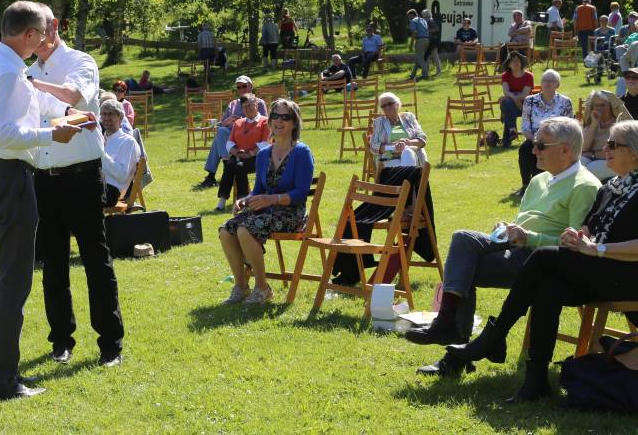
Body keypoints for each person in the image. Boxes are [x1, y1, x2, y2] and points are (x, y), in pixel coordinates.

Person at [441, 120, 638, 402]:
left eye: (612, 145)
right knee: (548, 287)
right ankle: (536, 381)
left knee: (544, 257)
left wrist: (598, 249)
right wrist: (578, 235)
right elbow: (590, 228)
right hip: (598, 269)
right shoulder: (612, 187)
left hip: (627, 277)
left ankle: (496, 335)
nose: (603, 149)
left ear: (633, 152)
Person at [408, 117, 601, 364]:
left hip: (540, 260)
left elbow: (574, 245)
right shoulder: (539, 179)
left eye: (541, 145)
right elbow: (526, 220)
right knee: (463, 239)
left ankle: (456, 349)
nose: (533, 150)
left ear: (565, 149)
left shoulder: (584, 186)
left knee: (464, 269)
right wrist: (508, 228)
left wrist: (528, 236)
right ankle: (452, 328)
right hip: (515, 246)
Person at [0, 0, 83, 401]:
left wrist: (67, 111)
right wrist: (54, 135)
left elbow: (32, 103)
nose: (50, 38)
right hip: (6, 175)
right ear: (29, 35)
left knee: (5, 279)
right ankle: (1, 380)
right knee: (13, 282)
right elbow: (4, 134)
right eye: (46, 31)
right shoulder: (8, 71)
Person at [27, 3, 123, 369]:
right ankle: (61, 340)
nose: (36, 36)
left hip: (82, 175)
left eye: (41, 27)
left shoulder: (81, 61)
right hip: (44, 178)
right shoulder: (26, 72)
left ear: (54, 27)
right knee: (53, 264)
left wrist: (32, 85)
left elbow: (71, 96)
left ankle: (110, 344)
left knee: (96, 259)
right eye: (31, 30)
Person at [331, 92, 434, 286]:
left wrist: (406, 144)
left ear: (398, 103)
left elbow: (422, 139)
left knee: (410, 154)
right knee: (407, 159)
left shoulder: (409, 117)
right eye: (384, 106)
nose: (387, 109)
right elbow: (374, 146)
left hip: (410, 162)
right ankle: (408, 208)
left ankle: (407, 207)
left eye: (390, 104)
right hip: (390, 167)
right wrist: (393, 148)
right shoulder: (379, 123)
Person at [218, 99, 314, 305]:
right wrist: (244, 200)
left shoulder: (302, 152)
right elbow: (258, 190)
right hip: (265, 210)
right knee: (226, 230)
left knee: (245, 229)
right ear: (269, 121)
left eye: (285, 117)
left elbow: (301, 193)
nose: (279, 121)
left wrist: (273, 199)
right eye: (275, 116)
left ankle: (262, 288)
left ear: (294, 123)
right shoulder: (263, 154)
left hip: (291, 213)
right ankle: (241, 286)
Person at [196, 76, 267, 189]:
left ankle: (215, 173)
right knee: (221, 130)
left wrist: (243, 121)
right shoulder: (233, 104)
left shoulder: (259, 103)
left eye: (244, 86)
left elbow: (264, 123)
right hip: (232, 136)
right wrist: (228, 121)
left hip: (250, 136)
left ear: (251, 86)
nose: (241, 89)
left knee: (220, 135)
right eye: (239, 87)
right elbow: (221, 123)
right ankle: (218, 171)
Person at [517, 70, 572, 193]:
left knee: (547, 149)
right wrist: (536, 140)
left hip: (556, 141)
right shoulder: (529, 101)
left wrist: (553, 141)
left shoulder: (565, 102)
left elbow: (568, 127)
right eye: (545, 80)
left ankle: (544, 184)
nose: (547, 83)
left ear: (557, 85)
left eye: (551, 81)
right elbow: (525, 128)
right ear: (540, 83)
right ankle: (526, 186)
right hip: (534, 138)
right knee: (525, 149)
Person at [215, 96, 269, 211]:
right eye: (245, 107)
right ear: (242, 109)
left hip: (257, 158)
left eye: (250, 105)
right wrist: (236, 152)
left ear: (256, 105)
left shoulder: (265, 121)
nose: (248, 109)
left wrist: (250, 153)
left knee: (239, 166)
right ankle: (222, 200)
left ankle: (243, 200)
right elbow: (229, 142)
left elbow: (266, 143)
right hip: (239, 155)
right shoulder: (238, 122)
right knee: (229, 164)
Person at [581, 90, 632, 181]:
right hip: (594, 159)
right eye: (596, 105)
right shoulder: (593, 122)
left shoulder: (619, 125)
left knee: (590, 169)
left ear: (610, 106)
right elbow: (583, 148)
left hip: (616, 162)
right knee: (577, 163)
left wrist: (592, 154)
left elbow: (615, 151)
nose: (599, 108)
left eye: (603, 105)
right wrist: (594, 124)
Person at [99, 99, 140, 207]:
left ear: (120, 117)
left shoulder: (128, 142)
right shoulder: (102, 139)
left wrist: (101, 154)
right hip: (98, 187)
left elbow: (122, 175)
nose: (106, 118)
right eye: (103, 114)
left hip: (113, 191)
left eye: (110, 114)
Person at [499, 51, 533, 147]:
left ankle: (508, 137)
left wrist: (516, 99)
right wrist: (515, 99)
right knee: (507, 103)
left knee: (507, 108)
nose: (516, 63)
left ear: (521, 62)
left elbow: (525, 94)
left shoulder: (529, 76)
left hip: (524, 106)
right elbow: (506, 91)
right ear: (509, 64)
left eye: (518, 61)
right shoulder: (505, 76)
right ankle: (512, 130)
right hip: (512, 104)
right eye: (513, 61)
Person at [407, 8, 430, 81]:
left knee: (420, 58)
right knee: (419, 58)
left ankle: (425, 74)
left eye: (409, 16)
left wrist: (411, 44)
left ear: (412, 15)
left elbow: (414, 33)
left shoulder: (413, 21)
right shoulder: (423, 20)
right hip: (427, 39)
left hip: (420, 40)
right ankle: (412, 74)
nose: (409, 18)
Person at [423, 9, 443, 77]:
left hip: (432, 42)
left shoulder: (430, 21)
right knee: (430, 56)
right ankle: (428, 72)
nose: (422, 16)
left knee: (433, 57)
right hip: (431, 41)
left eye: (423, 15)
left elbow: (437, 29)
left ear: (426, 15)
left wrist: (428, 31)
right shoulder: (429, 21)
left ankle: (437, 72)